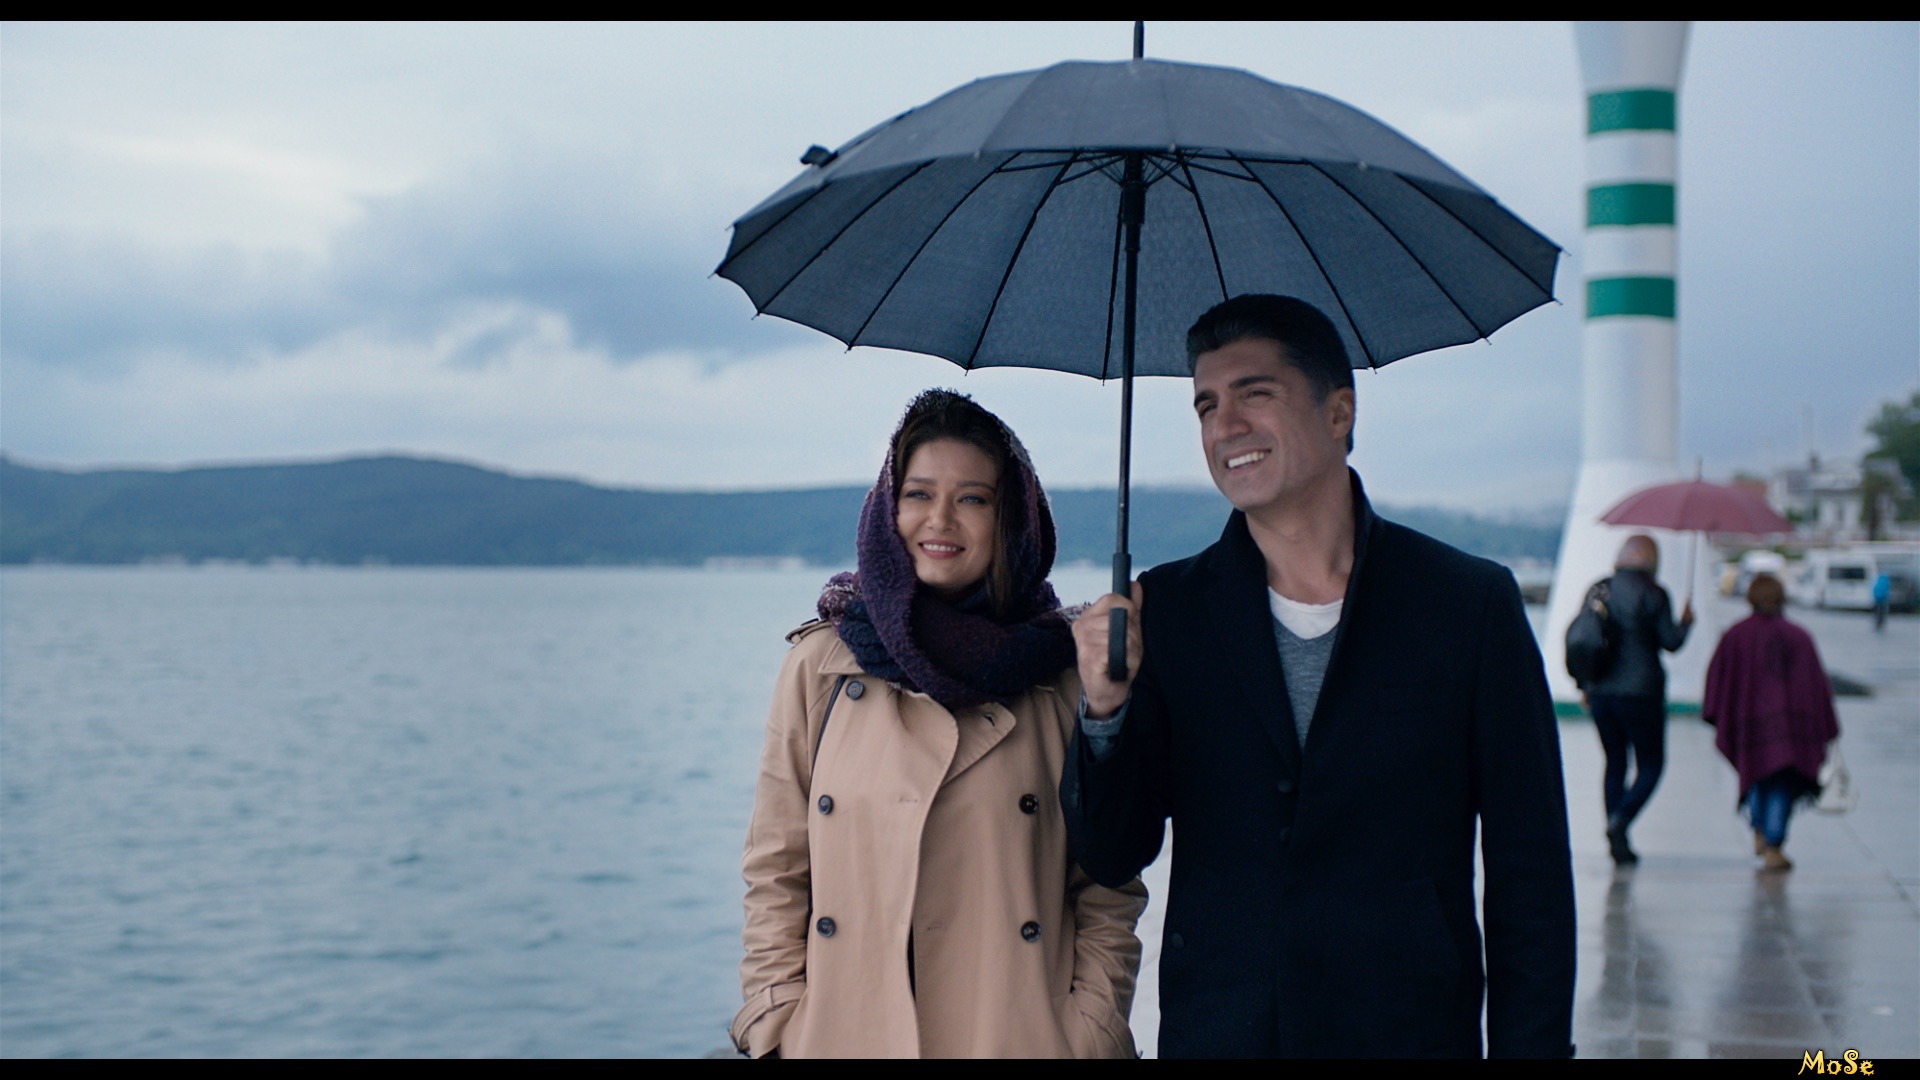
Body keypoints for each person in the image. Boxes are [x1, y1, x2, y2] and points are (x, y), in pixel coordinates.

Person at [1060, 294, 1575, 1058]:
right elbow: (1111, 851)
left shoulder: (1468, 604)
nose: (1225, 426)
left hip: (1409, 1036)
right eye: (1206, 405)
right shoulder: (1165, 611)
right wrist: (1104, 711)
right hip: (1224, 1037)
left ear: (1339, 412)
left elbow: (1530, 876)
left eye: (1254, 394)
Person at [732, 389, 1146, 1059]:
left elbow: (1107, 883)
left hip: (1018, 1039)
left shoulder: (1069, 674)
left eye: (973, 499)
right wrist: (775, 1021)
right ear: (886, 509)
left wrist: (1090, 1030)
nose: (940, 519)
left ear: (1010, 519)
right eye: (918, 494)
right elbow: (776, 865)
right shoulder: (821, 664)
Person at [1702, 573, 1841, 872]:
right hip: (1790, 729)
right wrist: (1826, 726)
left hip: (1748, 724)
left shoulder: (1736, 635)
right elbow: (1816, 687)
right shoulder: (1798, 636)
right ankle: (1773, 844)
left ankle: (1760, 831)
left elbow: (1718, 681)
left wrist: (1721, 714)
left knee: (1753, 774)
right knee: (1779, 782)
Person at [1583, 534, 1694, 865]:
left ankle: (1617, 837)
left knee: (1615, 762)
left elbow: (1586, 640)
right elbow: (1670, 642)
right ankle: (1622, 820)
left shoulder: (1599, 589)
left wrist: (1584, 685)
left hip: (1601, 691)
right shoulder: (1654, 592)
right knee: (1651, 764)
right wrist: (1685, 624)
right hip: (1642, 691)